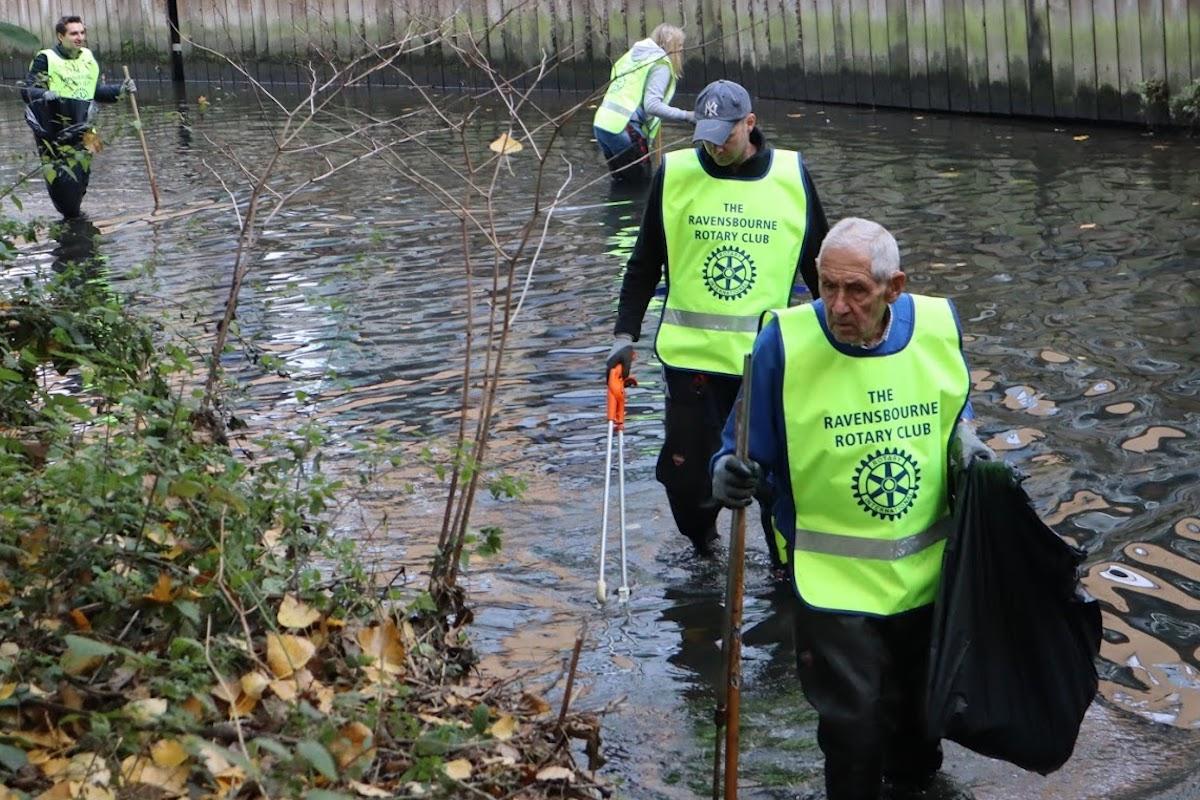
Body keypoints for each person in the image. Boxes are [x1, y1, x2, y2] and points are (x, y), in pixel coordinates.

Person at [711, 217, 990, 800]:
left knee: (917, 736)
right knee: (853, 733)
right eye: (826, 286)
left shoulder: (939, 326)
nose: (838, 305)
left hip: (926, 578)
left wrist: (974, 450)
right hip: (829, 579)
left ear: (894, 287)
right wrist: (725, 472)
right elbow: (743, 442)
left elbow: (956, 419)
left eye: (856, 290)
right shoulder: (782, 343)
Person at [604, 79, 829, 565]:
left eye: (724, 135)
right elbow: (644, 262)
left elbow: (821, 268)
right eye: (705, 135)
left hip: (766, 365)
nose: (713, 145)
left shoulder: (791, 175)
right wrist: (625, 335)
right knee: (687, 481)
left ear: (750, 123)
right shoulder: (676, 174)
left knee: (771, 479)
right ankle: (703, 550)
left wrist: (838, 345)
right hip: (693, 364)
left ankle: (785, 568)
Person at [21, 15, 136, 218]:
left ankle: (77, 220)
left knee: (83, 177)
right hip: (57, 130)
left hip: (87, 128)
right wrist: (43, 94)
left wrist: (121, 91)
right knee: (63, 182)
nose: (79, 37)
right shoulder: (45, 58)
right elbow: (27, 91)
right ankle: (72, 223)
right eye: (74, 33)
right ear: (60, 36)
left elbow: (96, 92)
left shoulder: (87, 57)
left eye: (82, 32)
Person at [592, 24, 693, 184]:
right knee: (642, 187)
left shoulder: (631, 58)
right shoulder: (660, 63)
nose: (681, 51)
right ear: (670, 45)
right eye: (679, 46)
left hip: (602, 124)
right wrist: (687, 116)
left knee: (621, 183)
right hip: (624, 128)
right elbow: (652, 105)